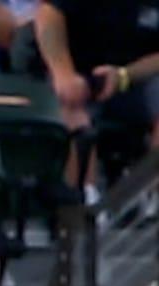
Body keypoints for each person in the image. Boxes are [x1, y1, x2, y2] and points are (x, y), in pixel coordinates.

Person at [35, 0, 159, 205]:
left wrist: (124, 76)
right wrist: (63, 72)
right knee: (71, 113)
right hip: (76, 72)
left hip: (134, 76)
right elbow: (48, 15)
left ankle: (152, 198)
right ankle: (82, 201)